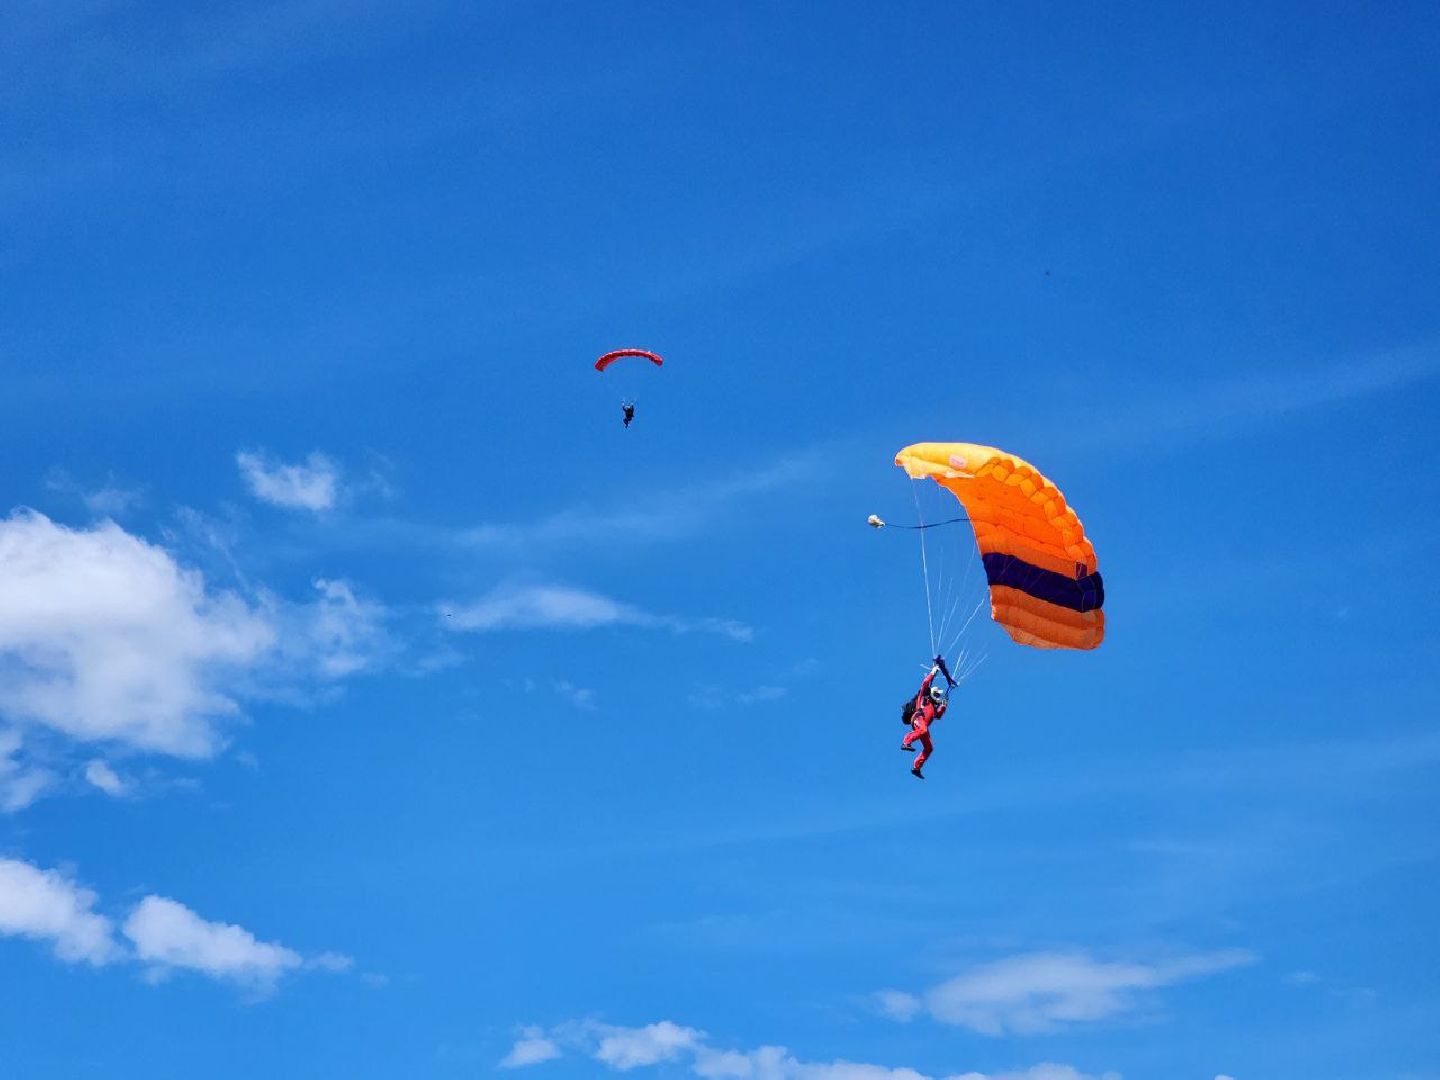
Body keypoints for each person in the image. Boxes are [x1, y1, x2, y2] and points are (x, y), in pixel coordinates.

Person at [902, 656, 955, 779]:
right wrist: (933, 672)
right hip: (918, 719)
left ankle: (916, 768)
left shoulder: (933, 707)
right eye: (936, 693)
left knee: (929, 747)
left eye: (938, 695)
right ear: (931, 693)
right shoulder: (923, 698)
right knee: (923, 730)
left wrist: (944, 705)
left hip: (923, 725)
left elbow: (938, 716)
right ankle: (906, 742)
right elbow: (925, 683)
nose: (937, 696)